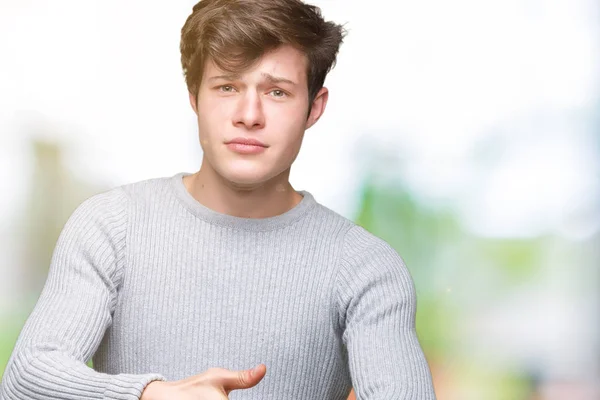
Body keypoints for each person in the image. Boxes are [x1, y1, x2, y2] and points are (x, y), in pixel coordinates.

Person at [0, 0, 436, 399]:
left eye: (277, 92)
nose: (249, 115)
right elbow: (25, 379)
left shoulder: (364, 268)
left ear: (314, 107)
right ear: (194, 97)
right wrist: (152, 395)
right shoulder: (113, 226)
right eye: (227, 87)